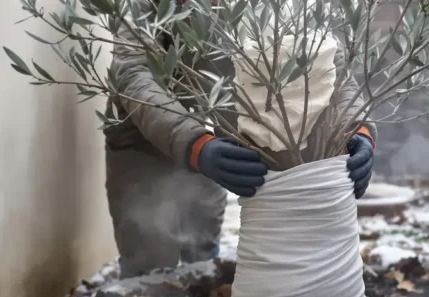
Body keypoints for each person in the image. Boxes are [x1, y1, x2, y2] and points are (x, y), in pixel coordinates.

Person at [103, 0, 378, 279]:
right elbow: (134, 74)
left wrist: (358, 130)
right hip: (143, 143)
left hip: (208, 137)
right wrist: (195, 145)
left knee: (202, 248)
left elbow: (330, 65)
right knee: (148, 259)